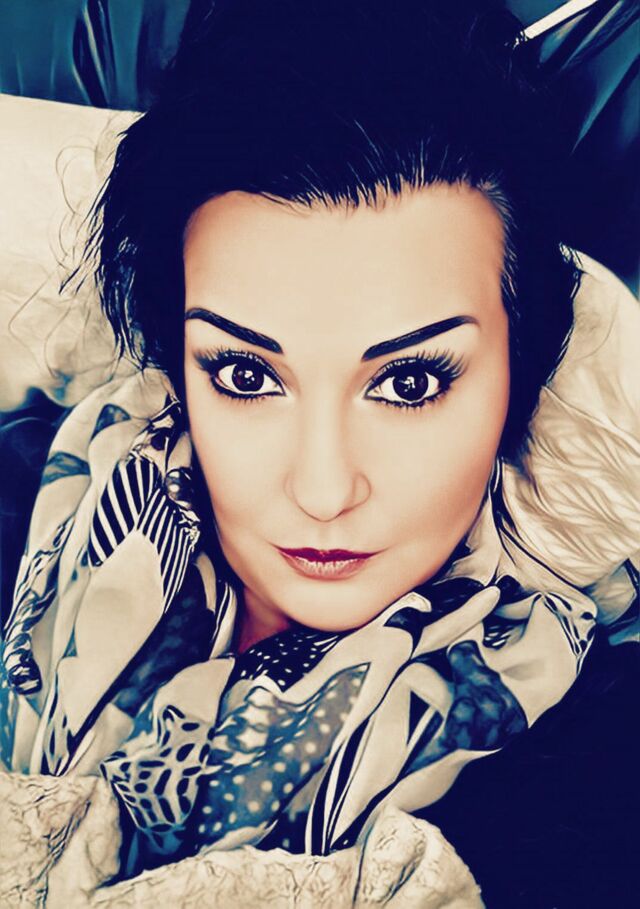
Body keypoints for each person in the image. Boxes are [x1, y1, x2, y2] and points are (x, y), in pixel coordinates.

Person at [1, 1, 638, 905]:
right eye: (245, 374)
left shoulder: (595, 764)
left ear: (520, 371)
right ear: (177, 366)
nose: (325, 488)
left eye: (409, 383)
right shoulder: (28, 503)